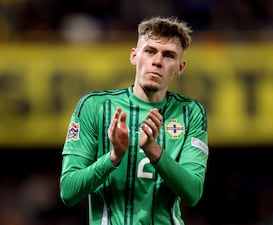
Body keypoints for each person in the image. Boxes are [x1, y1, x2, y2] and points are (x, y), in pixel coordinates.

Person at [59, 16, 209, 225]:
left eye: (168, 55)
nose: (157, 61)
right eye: (150, 51)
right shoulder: (94, 107)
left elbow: (193, 193)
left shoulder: (190, 112)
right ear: (134, 55)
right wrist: (113, 157)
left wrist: (152, 149)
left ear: (180, 67)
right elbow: (68, 191)